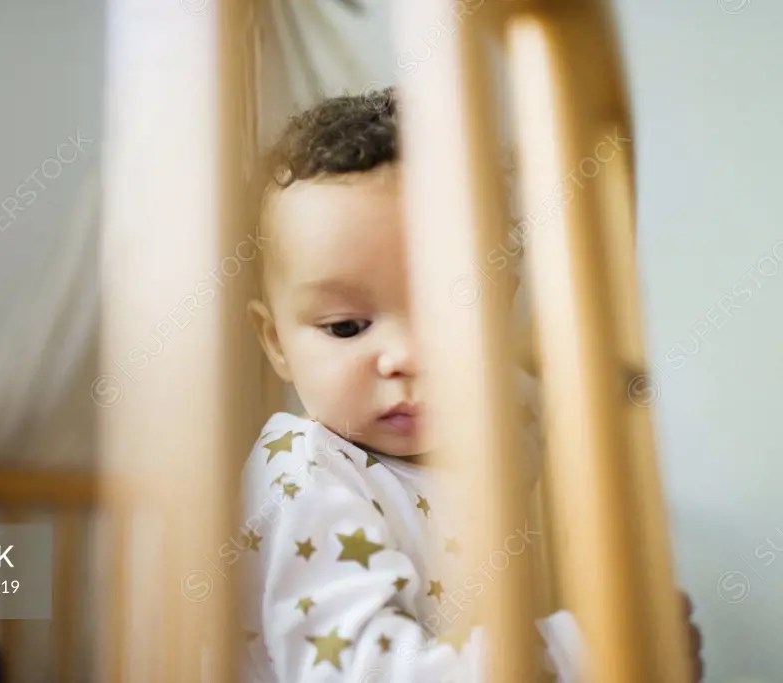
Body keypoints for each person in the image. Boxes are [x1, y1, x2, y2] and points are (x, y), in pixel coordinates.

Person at [237, 87, 703, 681]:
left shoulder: (513, 429)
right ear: (276, 341)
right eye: (347, 327)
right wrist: (585, 654)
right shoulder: (302, 475)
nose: (407, 358)